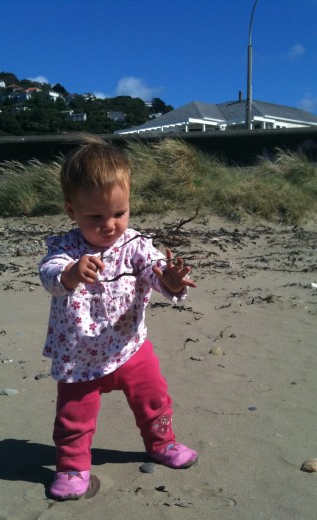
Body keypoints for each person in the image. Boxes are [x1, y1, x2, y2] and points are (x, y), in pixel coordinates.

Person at [39, 135, 198, 500]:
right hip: (79, 354)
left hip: (129, 346)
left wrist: (169, 279)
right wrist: (71, 274)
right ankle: (72, 466)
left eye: (119, 213)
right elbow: (50, 274)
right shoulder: (65, 249)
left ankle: (163, 442)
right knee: (74, 417)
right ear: (70, 210)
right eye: (95, 216)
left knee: (154, 397)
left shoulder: (136, 244)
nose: (109, 224)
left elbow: (152, 269)